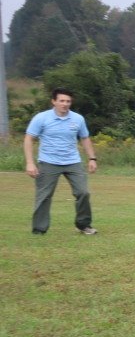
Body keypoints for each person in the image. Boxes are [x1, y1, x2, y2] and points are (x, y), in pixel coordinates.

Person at [25, 88, 96, 235]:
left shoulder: (78, 119)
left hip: (72, 161)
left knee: (83, 192)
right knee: (44, 196)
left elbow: (85, 138)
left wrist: (92, 158)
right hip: (48, 162)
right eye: (62, 101)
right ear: (54, 101)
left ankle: (83, 225)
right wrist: (30, 163)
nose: (65, 104)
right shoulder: (41, 118)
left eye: (68, 101)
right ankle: (39, 229)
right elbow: (29, 139)